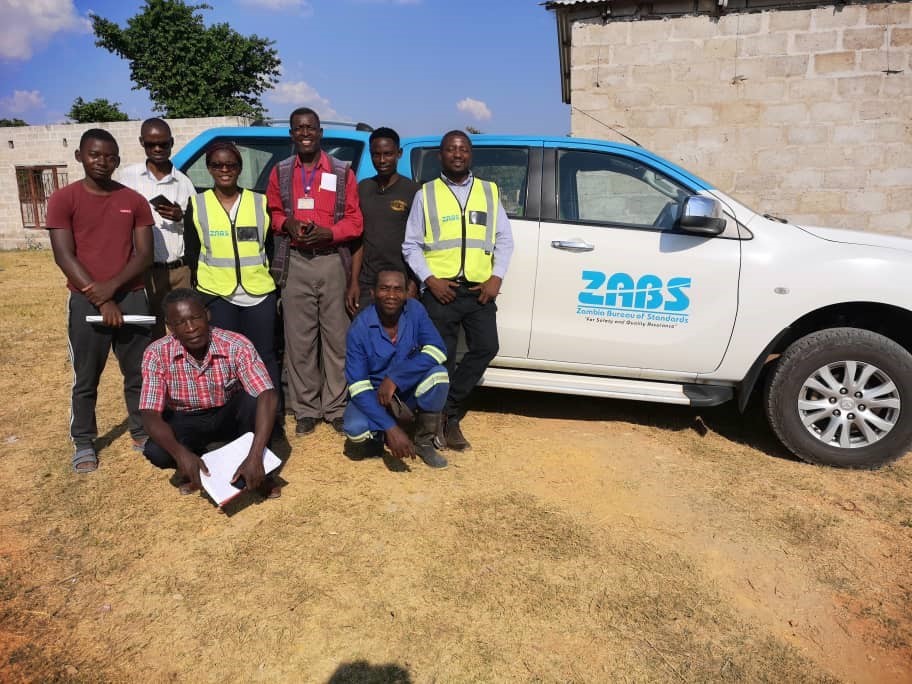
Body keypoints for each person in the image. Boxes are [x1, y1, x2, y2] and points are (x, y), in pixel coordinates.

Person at [45, 128, 155, 473]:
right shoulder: (64, 199)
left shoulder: (133, 200)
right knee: (86, 376)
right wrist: (99, 296)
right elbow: (64, 255)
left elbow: (144, 254)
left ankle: (142, 432)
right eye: (94, 154)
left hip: (132, 296)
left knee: (138, 372)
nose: (101, 162)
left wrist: (113, 289)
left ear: (118, 161)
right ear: (79, 156)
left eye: (109, 157)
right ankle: (84, 441)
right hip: (85, 301)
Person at [402, 130, 514, 451]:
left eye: (463, 149)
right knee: (442, 358)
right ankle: (437, 421)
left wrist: (496, 278)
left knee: (486, 347)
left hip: (479, 291)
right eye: (450, 149)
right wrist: (430, 280)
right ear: (441, 155)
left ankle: (449, 412)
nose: (457, 154)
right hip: (441, 291)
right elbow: (411, 245)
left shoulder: (489, 192)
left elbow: (504, 240)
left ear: (470, 154)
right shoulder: (427, 194)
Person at [266, 107, 363, 436]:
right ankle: (306, 408)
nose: (305, 133)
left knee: (337, 339)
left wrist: (331, 234)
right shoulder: (280, 172)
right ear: (291, 134)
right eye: (298, 128)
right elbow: (273, 212)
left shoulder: (341, 171)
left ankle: (335, 407)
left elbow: (355, 221)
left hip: (332, 259)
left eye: (311, 128)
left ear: (320, 132)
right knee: (300, 340)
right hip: (296, 263)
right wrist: (286, 223)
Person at [140, 289, 280, 497]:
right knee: (156, 451)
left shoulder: (236, 344)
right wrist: (180, 454)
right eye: (180, 323)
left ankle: (261, 472)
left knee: (255, 403)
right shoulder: (156, 353)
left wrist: (256, 454)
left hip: (228, 414)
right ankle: (195, 468)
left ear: (207, 315)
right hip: (186, 419)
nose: (191, 328)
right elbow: (149, 413)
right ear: (170, 328)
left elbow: (267, 395)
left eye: (196, 318)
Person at [183, 141, 281, 431]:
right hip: (217, 295)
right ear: (209, 168)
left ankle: (270, 419)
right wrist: (201, 292)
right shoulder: (197, 204)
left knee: (264, 356)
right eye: (217, 165)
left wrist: (272, 284)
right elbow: (192, 251)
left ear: (239, 169)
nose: (224, 170)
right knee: (225, 359)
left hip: (258, 292)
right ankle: (235, 418)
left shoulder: (259, 202)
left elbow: (272, 247)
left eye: (231, 165)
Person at [343, 269, 449, 469]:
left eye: (398, 289)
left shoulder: (415, 310)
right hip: (374, 396)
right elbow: (357, 386)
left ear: (406, 293)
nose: (391, 295)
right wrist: (391, 428)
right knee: (355, 430)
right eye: (384, 289)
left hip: (406, 390)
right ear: (373, 293)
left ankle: (423, 441)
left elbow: (438, 350)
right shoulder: (359, 328)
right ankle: (381, 435)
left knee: (439, 376)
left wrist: (395, 378)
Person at [118, 118, 196, 339]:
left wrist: (181, 217)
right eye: (151, 144)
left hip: (179, 270)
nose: (158, 149)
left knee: (184, 328)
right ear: (142, 142)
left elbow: (196, 226)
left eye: (163, 143)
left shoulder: (184, 182)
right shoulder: (128, 178)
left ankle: (183, 372)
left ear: (171, 143)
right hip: (145, 270)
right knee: (151, 331)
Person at [346, 127, 420, 316]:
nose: (381, 160)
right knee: (365, 338)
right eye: (376, 154)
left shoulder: (414, 191)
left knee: (400, 340)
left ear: (399, 153)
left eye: (388, 154)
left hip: (399, 283)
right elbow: (358, 238)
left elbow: (422, 242)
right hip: (367, 283)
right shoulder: (362, 188)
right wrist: (353, 282)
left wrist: (413, 284)